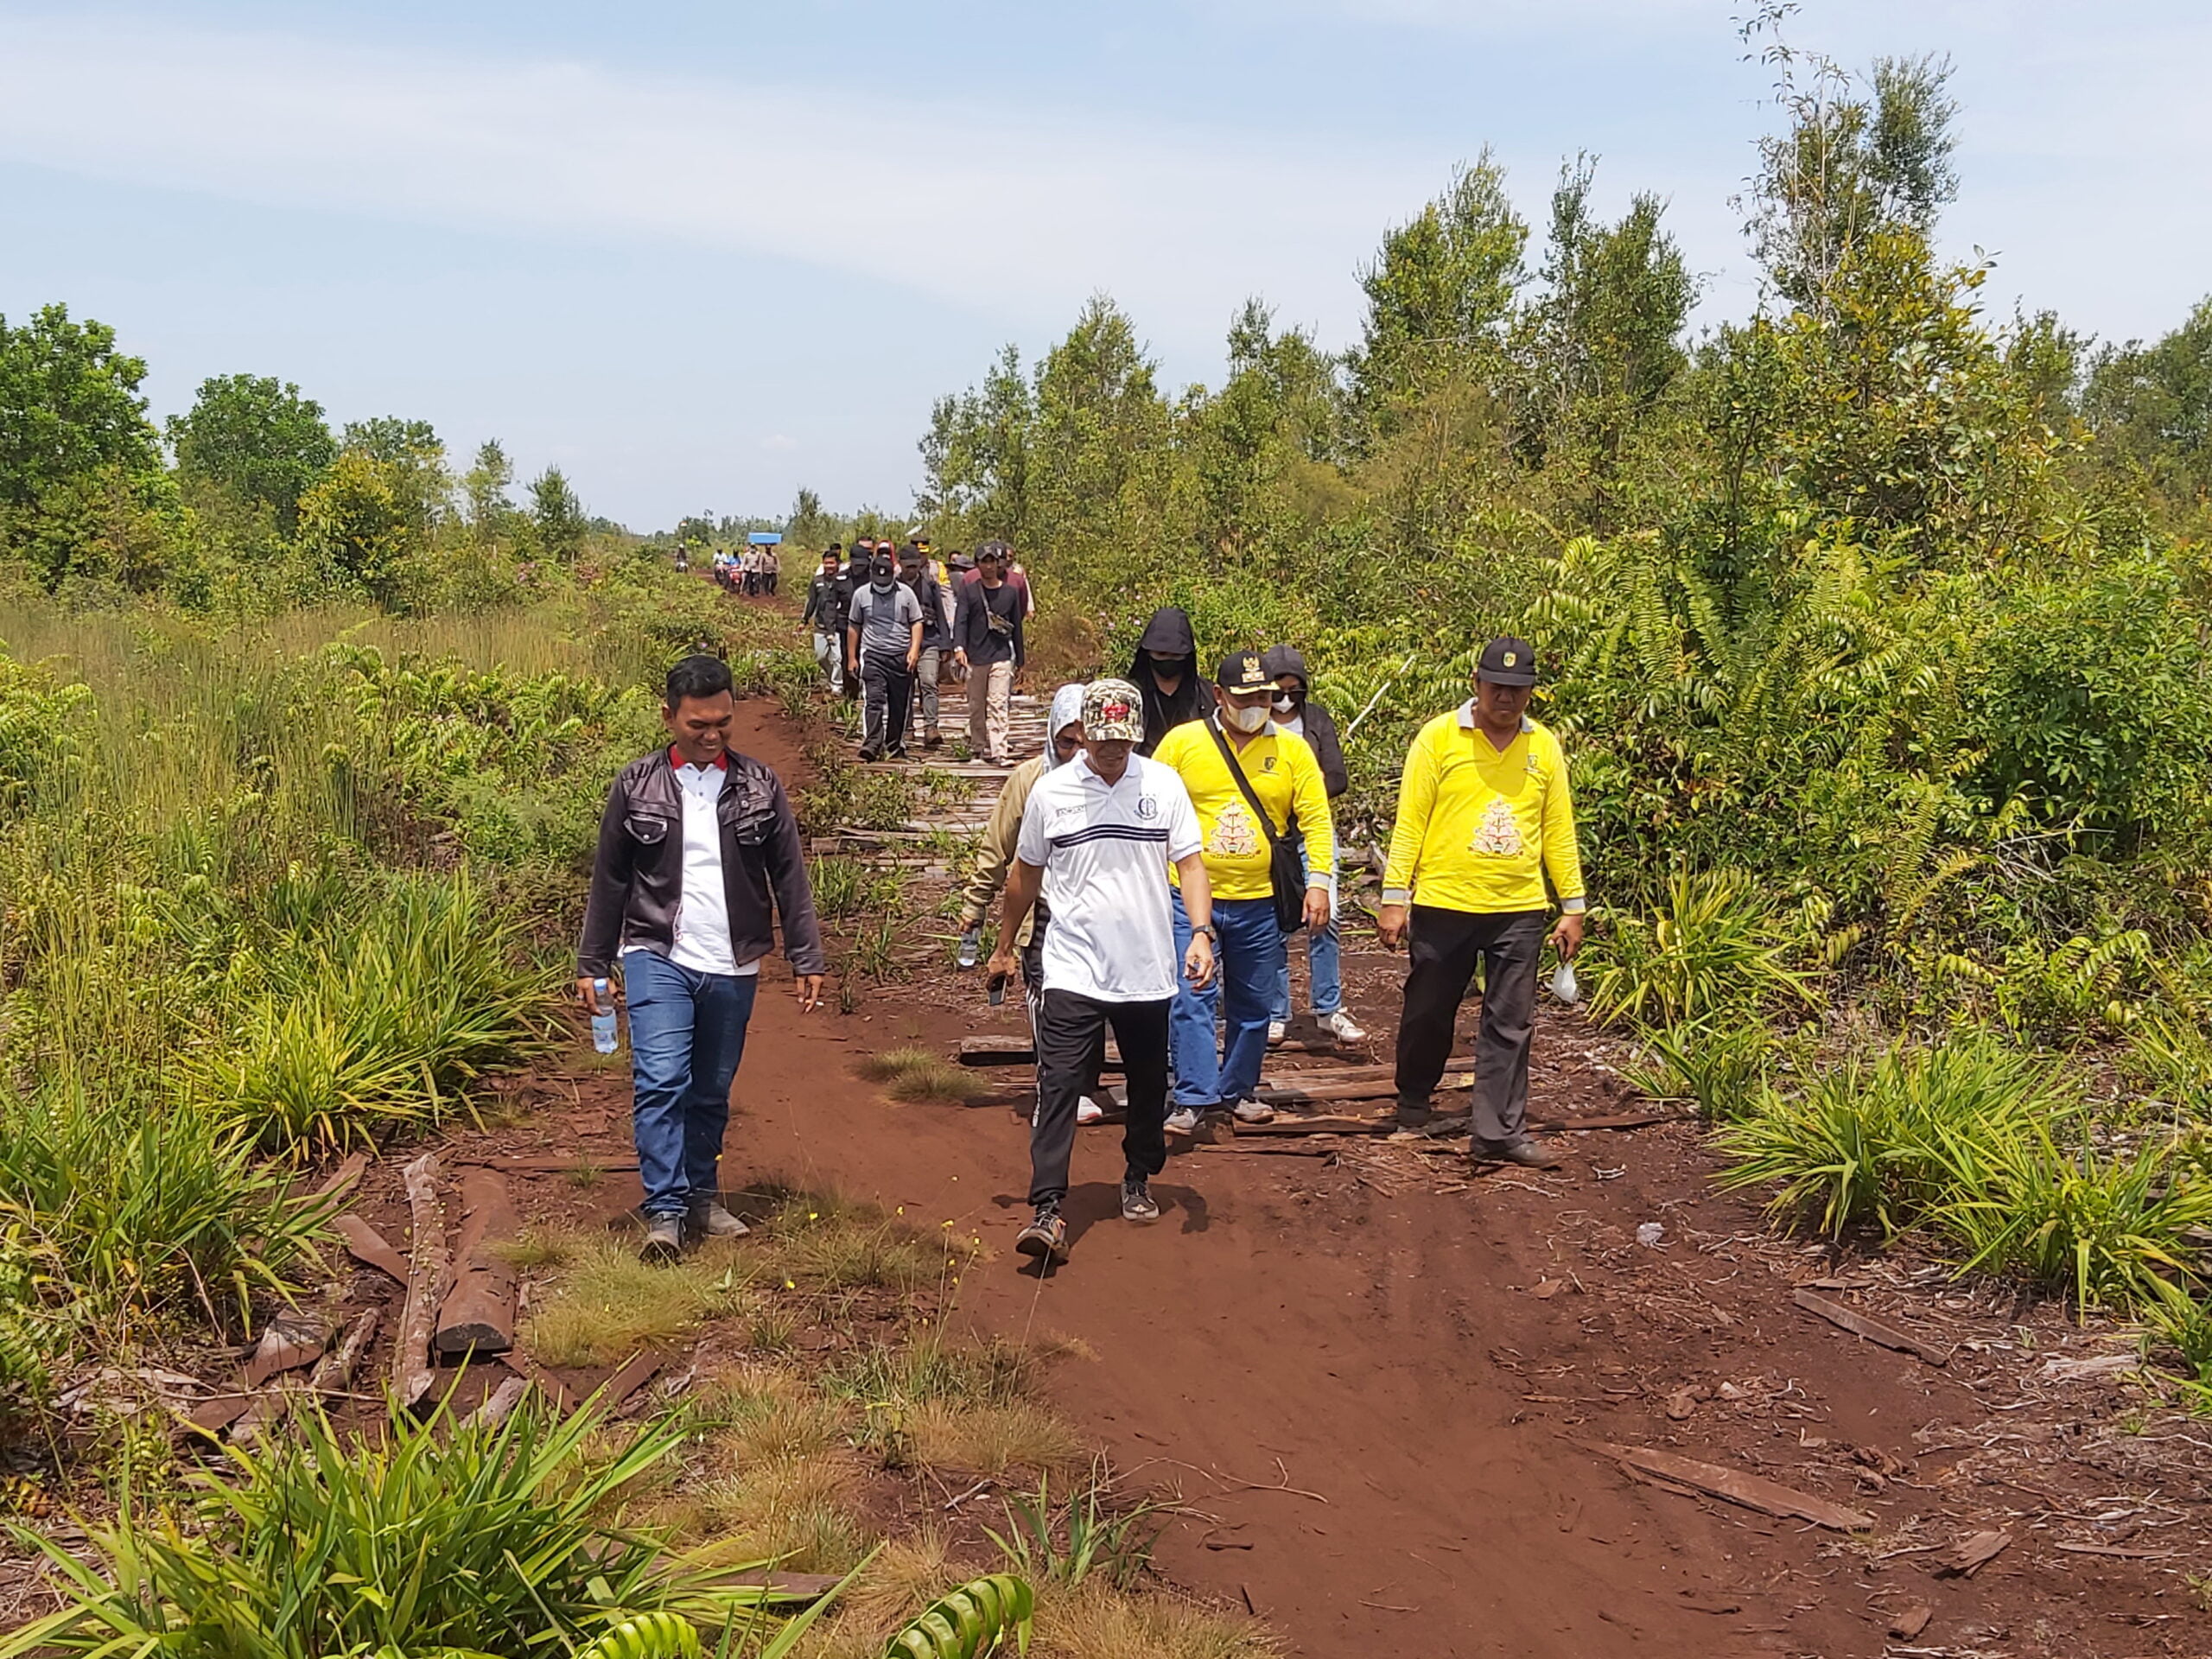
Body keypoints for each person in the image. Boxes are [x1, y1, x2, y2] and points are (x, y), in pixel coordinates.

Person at [577, 655, 827, 1262]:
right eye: (698, 724)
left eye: (722, 722)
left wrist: (806, 955)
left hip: (733, 959)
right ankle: (664, 1209)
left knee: (711, 1089)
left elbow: (789, 876)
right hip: (654, 950)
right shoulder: (636, 785)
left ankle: (700, 1195)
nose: (711, 734)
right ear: (669, 717)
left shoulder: (759, 785)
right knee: (662, 1080)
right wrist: (593, 962)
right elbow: (610, 878)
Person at [989, 679, 1215, 1264]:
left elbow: (1190, 864)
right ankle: (1047, 1208)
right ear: (1082, 733)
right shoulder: (1053, 792)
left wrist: (1200, 933)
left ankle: (1139, 1173)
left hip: (1145, 968)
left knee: (1147, 1086)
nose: (1112, 751)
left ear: (1137, 735)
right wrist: (1003, 945)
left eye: (1123, 740)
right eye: (1102, 740)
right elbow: (1025, 876)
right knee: (1059, 1085)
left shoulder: (1162, 785)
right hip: (1071, 966)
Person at [1378, 636, 1586, 1167]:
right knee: (1429, 1009)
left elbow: (1558, 829)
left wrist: (1572, 906)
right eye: (1497, 687)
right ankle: (1414, 1099)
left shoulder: (1544, 747)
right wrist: (1395, 898)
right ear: (1476, 684)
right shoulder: (1438, 739)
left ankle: (1498, 1131)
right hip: (1446, 904)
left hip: (1517, 908)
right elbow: (1412, 822)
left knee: (1510, 1021)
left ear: (1532, 693)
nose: (1507, 699)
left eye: (1518, 690)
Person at [1151, 652, 1334, 1132]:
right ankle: (1192, 1095)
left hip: (1260, 899)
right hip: (1188, 898)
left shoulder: (1293, 750)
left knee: (1253, 1002)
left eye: (1264, 697)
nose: (1256, 705)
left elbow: (1316, 819)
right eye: (1245, 697)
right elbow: (1149, 810)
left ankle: (1238, 1089)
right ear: (1219, 696)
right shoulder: (1182, 744)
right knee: (1191, 995)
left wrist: (1319, 883)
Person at [957, 687, 1106, 1125]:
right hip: (1044, 912)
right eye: (1067, 741)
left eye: (1086, 741)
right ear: (1051, 736)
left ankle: (1083, 1083)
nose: (1077, 752)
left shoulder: (1113, 782)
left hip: (1098, 912)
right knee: (1050, 1002)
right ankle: (1057, 1088)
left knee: (1094, 1001)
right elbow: (998, 847)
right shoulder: (1029, 780)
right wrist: (976, 906)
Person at [1260, 644, 1363, 1046]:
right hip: (1272, 840)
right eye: (1278, 691)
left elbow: (1337, 776)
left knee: (1328, 918)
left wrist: (1305, 787)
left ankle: (1329, 1007)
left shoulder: (1317, 720)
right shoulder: (1253, 725)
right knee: (1276, 926)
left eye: (1294, 691)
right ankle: (1276, 1011)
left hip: (1311, 833)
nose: (1285, 699)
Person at [951, 543, 1027, 765]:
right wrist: (959, 648)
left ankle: (1000, 751)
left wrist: (1020, 660)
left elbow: (1017, 628)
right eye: (984, 561)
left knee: (998, 704)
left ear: (999, 563)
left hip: (1001, 656)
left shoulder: (1010, 592)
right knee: (976, 705)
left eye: (993, 561)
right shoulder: (969, 591)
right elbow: (961, 621)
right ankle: (978, 747)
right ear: (978, 565)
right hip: (975, 657)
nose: (989, 566)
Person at [846, 551, 924, 760]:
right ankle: (872, 743)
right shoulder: (861, 595)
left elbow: (917, 622)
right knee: (874, 700)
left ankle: (894, 745)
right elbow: (854, 625)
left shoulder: (906, 594)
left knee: (899, 703)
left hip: (900, 656)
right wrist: (852, 657)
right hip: (873, 655)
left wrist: (914, 650)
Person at [1125, 607, 1203, 757]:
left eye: (1176, 655)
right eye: (1161, 654)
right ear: (1147, 653)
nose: (1168, 659)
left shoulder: (1205, 695)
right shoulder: (1127, 694)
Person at [897, 544, 951, 748]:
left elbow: (941, 615)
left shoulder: (930, 586)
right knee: (905, 687)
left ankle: (931, 727)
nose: (911, 569)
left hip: (929, 641)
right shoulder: (893, 586)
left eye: (915, 565)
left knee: (929, 682)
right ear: (900, 564)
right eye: (907, 565)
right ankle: (907, 728)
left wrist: (946, 644)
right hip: (902, 644)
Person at [801, 549, 851, 694]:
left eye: (832, 563)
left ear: (837, 564)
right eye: (826, 563)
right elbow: (811, 602)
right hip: (820, 626)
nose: (829, 566)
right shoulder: (817, 582)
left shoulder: (842, 581)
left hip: (836, 626)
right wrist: (804, 620)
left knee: (837, 657)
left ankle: (837, 684)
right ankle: (831, 676)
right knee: (820, 656)